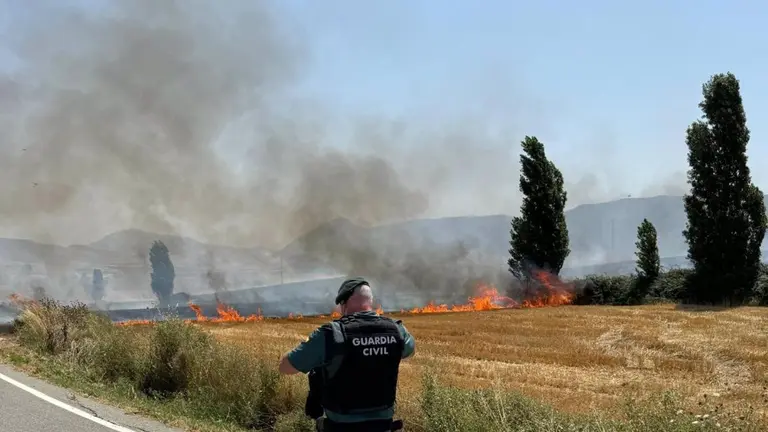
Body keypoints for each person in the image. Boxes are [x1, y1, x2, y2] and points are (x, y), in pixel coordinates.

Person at [278, 277, 416, 431]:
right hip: (383, 426)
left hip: (341, 426)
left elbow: (286, 367)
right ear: (370, 301)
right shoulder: (397, 331)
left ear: (344, 303)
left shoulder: (331, 334)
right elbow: (409, 350)